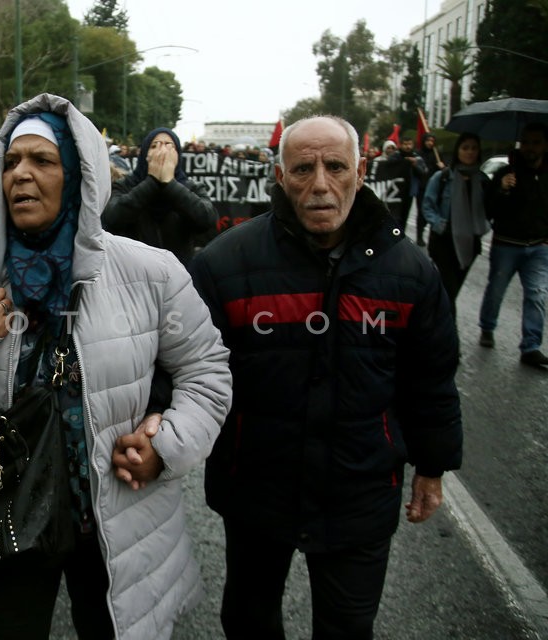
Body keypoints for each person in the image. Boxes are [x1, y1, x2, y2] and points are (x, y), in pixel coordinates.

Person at [0, 93, 232, 639]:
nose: (22, 175)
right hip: (4, 511)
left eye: (43, 161)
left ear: (79, 174)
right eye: (11, 163)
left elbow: (207, 372)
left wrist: (168, 444)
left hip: (114, 517)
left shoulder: (151, 272)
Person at [189, 115, 463, 639]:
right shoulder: (225, 263)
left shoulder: (411, 271)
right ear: (280, 175)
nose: (319, 184)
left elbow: (430, 379)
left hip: (360, 489)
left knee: (347, 627)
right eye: (302, 169)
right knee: (248, 620)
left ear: (360, 173)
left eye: (335, 167)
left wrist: (434, 465)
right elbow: (193, 369)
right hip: (255, 487)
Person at [478, 122, 548, 368]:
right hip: (507, 245)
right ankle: (487, 327)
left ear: (544, 145)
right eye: (526, 142)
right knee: (496, 290)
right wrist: (502, 190)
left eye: (536, 142)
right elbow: (489, 210)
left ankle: (531, 346)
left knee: (537, 294)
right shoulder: (506, 173)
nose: (530, 148)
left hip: (539, 247)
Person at [101, 127, 218, 266]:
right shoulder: (125, 185)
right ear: (145, 154)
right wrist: (152, 182)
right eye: (154, 146)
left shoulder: (192, 188)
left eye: (169, 145)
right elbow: (112, 218)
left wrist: (170, 184)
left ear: (177, 155)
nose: (162, 151)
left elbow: (207, 220)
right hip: (133, 270)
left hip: (179, 273)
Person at [423, 131, 490, 320]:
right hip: (444, 242)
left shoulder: (483, 181)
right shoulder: (443, 177)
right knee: (448, 291)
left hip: (470, 243)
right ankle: (450, 342)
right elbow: (428, 204)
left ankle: (434, 324)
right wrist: (438, 224)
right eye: (465, 147)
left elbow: (491, 209)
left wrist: (483, 226)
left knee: (451, 293)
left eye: (474, 148)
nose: (469, 152)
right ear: (458, 150)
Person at [416, 133, 446, 246]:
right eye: (428, 140)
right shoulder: (419, 154)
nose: (430, 143)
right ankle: (419, 235)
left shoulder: (437, 154)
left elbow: (444, 170)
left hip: (435, 188)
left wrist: (442, 166)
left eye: (432, 141)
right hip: (422, 187)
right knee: (422, 213)